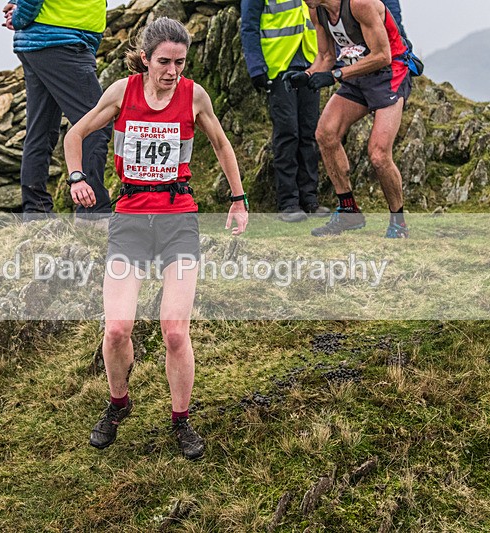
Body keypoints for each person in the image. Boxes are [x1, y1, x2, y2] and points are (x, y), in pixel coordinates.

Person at [63, 17, 249, 460]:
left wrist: (238, 199)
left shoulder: (194, 96)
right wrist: (76, 177)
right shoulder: (121, 92)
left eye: (180, 62)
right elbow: (75, 134)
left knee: (175, 332)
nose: (172, 71)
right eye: (164, 61)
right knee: (116, 329)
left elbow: (222, 145)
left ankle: (181, 420)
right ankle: (118, 403)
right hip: (129, 219)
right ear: (146, 58)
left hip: (177, 220)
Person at [290, 0, 411, 238]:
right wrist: (307, 75)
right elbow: (326, 56)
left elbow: (383, 55)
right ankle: (348, 212)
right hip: (357, 77)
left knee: (378, 154)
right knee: (326, 133)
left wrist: (336, 75)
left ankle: (398, 223)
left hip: (389, 74)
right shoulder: (317, 10)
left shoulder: (360, 4)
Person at [2, 0, 111, 219]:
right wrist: (20, 16)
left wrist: (17, 7)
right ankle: (93, 213)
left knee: (41, 130)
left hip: (46, 42)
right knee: (95, 126)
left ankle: (36, 213)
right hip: (60, 42)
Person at [240, 0, 331, 222]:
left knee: (309, 133)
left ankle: (309, 199)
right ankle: (288, 203)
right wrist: (256, 67)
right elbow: (249, 26)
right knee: (288, 133)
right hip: (279, 66)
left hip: (310, 63)